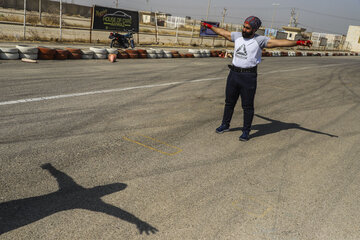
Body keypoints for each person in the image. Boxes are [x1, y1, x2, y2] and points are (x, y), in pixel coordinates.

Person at [202, 16, 312, 141]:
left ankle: (246, 131)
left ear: (254, 29)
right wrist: (210, 26)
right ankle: (225, 125)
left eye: (247, 28)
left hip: (248, 77)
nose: (244, 29)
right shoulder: (237, 36)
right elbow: (223, 33)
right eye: (243, 26)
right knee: (229, 102)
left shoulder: (260, 40)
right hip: (233, 74)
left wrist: (298, 42)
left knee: (247, 106)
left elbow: (279, 42)